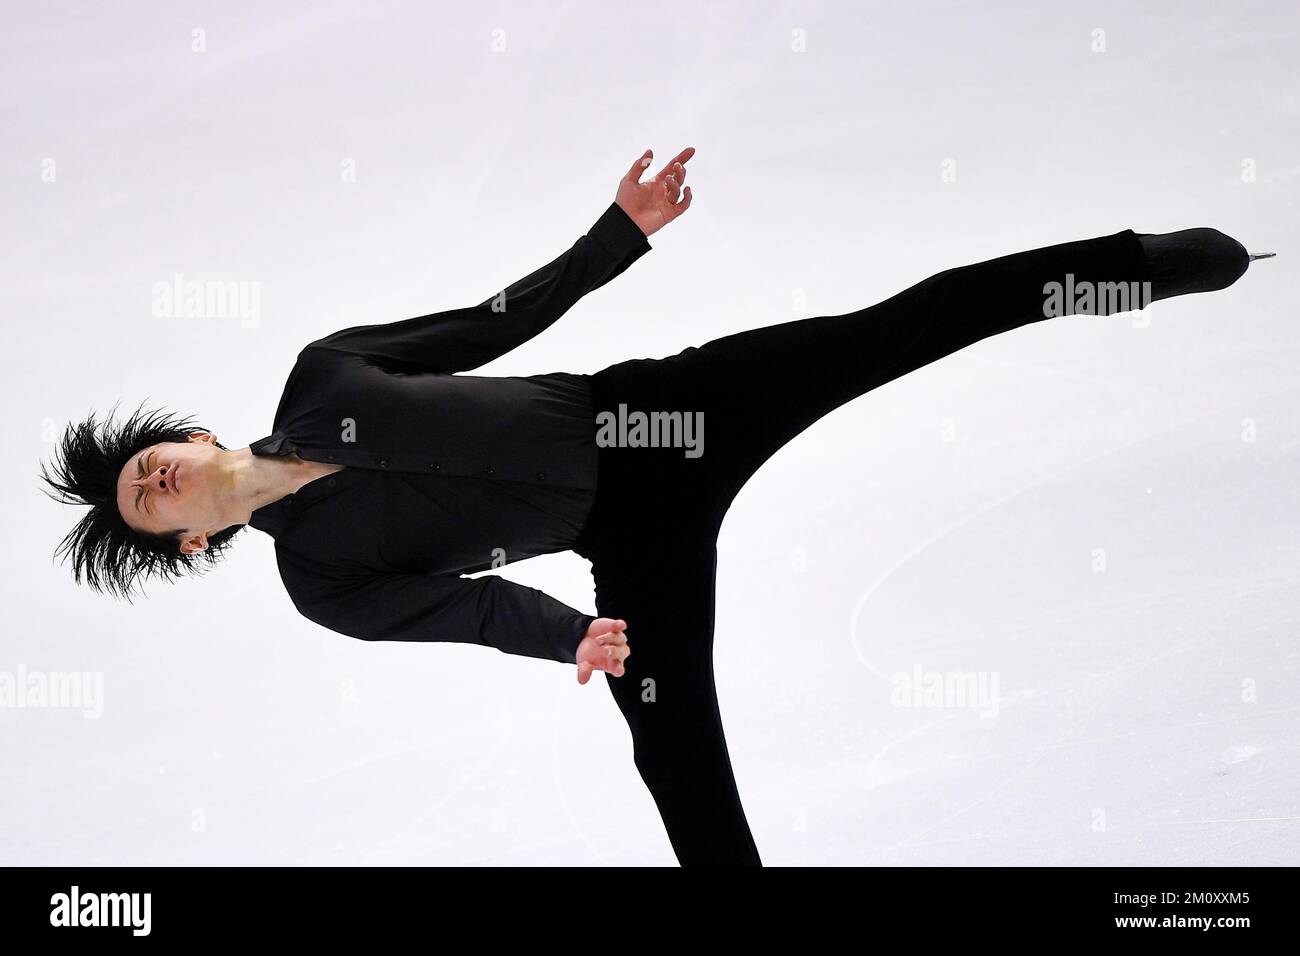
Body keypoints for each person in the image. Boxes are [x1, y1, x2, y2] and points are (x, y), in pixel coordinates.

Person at [40, 145, 1271, 866]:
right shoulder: (321, 586)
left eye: (145, 459)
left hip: (650, 414)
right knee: (673, 745)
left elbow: (492, 324)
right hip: (627, 537)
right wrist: (569, 636)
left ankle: (1145, 267)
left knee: (905, 320)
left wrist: (614, 236)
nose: (147, 477)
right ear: (191, 538)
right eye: (144, 507)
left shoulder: (325, 371)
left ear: (191, 435)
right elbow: (461, 613)